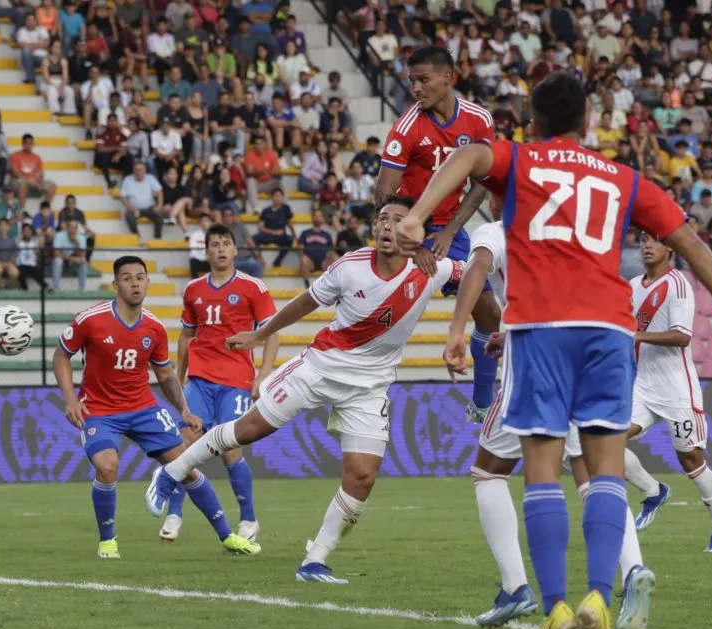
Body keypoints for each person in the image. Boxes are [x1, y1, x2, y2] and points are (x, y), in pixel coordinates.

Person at [403, 72, 712, 629]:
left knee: (541, 472)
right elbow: (689, 241)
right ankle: (600, 594)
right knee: (604, 471)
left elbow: (468, 153)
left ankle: (557, 609)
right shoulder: (623, 177)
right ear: (588, 120)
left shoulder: (520, 160)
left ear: (534, 121)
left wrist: (417, 215)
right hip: (610, 331)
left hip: (541, 330)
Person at [144, 195, 464, 583]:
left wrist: (467, 330)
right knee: (248, 431)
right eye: (382, 219)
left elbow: (481, 268)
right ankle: (172, 472)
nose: (388, 227)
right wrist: (261, 334)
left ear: (416, 231)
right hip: (320, 367)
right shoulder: (350, 266)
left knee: (363, 476)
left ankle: (314, 561)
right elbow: (305, 303)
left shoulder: (433, 268)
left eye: (399, 220)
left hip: (370, 386)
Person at [448, 181, 655, 629]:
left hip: (536, 366)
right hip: (591, 355)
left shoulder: (499, 231)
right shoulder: (567, 230)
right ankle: (634, 569)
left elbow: (478, 267)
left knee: (489, 471)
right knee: (594, 477)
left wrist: (460, 328)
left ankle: (516, 587)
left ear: (498, 198)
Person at [53, 256, 260, 559]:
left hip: (143, 408)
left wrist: (185, 411)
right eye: (127, 278)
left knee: (185, 466)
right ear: (115, 284)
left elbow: (165, 375)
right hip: (100, 410)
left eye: (140, 277)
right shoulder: (91, 319)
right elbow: (61, 356)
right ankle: (108, 541)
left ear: (147, 282)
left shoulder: (154, 327)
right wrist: (70, 399)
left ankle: (227, 536)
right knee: (107, 466)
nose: (135, 283)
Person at [375, 46, 499, 424]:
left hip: (451, 230)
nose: (415, 88)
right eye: (411, 80)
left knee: (491, 315)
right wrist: (413, 243)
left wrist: (449, 230)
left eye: (423, 79)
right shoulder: (406, 129)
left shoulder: (478, 120)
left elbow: (483, 181)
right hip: (406, 232)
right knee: (384, 321)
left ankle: (481, 405)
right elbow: (384, 199)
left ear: (449, 78)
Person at [616, 233, 712, 554]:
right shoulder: (632, 285)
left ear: (670, 247)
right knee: (607, 441)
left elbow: (682, 337)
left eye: (654, 240)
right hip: (642, 385)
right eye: (642, 240)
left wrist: (634, 334)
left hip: (677, 389)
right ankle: (654, 491)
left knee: (691, 459)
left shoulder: (678, 284)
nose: (647, 245)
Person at [161, 224, 281, 543]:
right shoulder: (193, 290)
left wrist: (263, 375)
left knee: (230, 451)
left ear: (235, 250)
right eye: (215, 244)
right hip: (199, 379)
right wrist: (181, 373)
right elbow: (186, 335)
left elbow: (272, 332)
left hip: (236, 380)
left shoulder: (253, 287)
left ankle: (248, 518)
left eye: (226, 243)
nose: (221, 249)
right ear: (207, 251)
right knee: (182, 446)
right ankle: (174, 514)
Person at [120, 161, 165, 238]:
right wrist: (129, 207)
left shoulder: (150, 178)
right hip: (135, 209)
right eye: (136, 169)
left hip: (150, 208)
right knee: (128, 215)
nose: (138, 171)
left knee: (160, 215)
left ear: (145, 171)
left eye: (141, 169)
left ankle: (157, 238)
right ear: (133, 170)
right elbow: (122, 196)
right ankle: (136, 236)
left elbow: (160, 192)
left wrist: (159, 205)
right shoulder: (128, 179)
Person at [10, 134, 57, 207]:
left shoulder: (37, 157)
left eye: (31, 143)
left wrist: (37, 179)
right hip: (19, 181)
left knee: (52, 185)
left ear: (33, 144)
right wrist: (28, 179)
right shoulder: (16, 155)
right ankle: (22, 210)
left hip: (34, 181)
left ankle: (45, 209)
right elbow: (15, 172)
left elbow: (41, 172)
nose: (29, 145)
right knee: (23, 183)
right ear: (23, 144)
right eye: (27, 143)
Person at [254, 188, 294, 266]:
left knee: (290, 240)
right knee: (254, 238)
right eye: (275, 196)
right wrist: (274, 232)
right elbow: (260, 228)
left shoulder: (286, 209)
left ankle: (277, 262)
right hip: (268, 235)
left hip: (281, 236)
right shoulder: (265, 211)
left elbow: (289, 223)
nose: (277, 198)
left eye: (279, 196)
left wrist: (295, 236)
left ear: (282, 197)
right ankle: (260, 259)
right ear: (272, 197)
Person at [298, 210, 335, 286]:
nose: (317, 218)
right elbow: (300, 248)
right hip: (309, 261)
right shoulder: (305, 233)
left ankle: (332, 285)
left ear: (323, 219)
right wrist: (302, 257)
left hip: (323, 262)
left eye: (320, 216)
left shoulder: (327, 235)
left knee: (334, 257)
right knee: (303, 260)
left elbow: (331, 250)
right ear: (312, 218)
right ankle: (307, 286)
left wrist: (330, 257)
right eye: (316, 216)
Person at [93, 113, 130, 189]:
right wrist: (116, 148)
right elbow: (100, 149)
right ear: (107, 122)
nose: (112, 123)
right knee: (104, 155)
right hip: (102, 160)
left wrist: (119, 155)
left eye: (114, 121)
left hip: (114, 159)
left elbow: (124, 149)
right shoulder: (102, 133)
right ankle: (109, 182)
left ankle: (125, 184)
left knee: (128, 159)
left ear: (117, 122)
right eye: (110, 121)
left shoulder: (121, 134)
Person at [52, 220, 87, 291]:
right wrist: (71, 258)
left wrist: (76, 243)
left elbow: (82, 255)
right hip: (63, 260)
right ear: (67, 228)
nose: (73, 230)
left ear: (77, 229)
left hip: (73, 263)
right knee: (57, 261)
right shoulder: (59, 235)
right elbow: (56, 253)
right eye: (71, 227)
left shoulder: (82, 238)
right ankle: (56, 288)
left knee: (84, 262)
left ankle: (82, 288)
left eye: (75, 228)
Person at [0, 217, 20, 288]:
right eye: (1, 225)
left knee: (15, 273)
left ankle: (7, 286)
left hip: (9, 263)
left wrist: (10, 262)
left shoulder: (11, 239)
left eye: (5, 225)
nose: (3, 227)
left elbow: (14, 253)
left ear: (9, 227)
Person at [16, 222, 46, 291]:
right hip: (21, 265)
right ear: (22, 232)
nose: (27, 233)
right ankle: (24, 289)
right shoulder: (18, 243)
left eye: (29, 231)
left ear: (31, 232)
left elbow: (39, 253)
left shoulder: (34, 243)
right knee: (21, 271)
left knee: (38, 271)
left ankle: (46, 287)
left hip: (32, 265)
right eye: (25, 231)